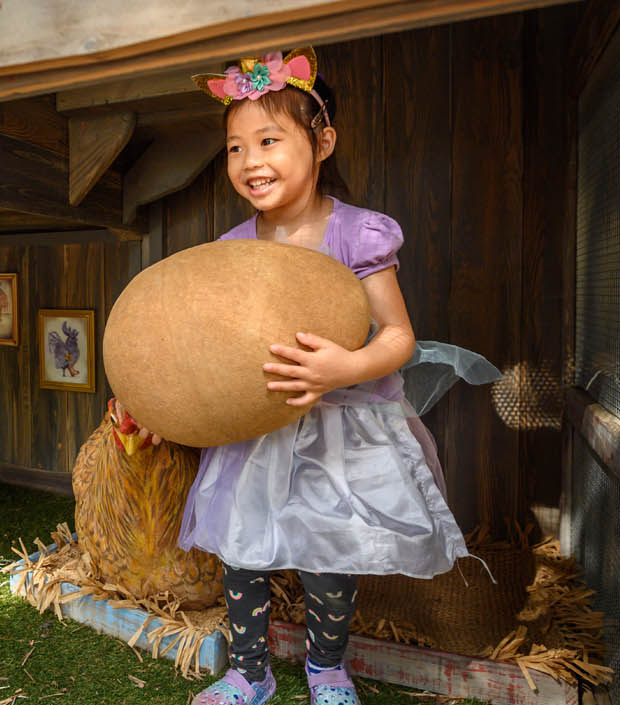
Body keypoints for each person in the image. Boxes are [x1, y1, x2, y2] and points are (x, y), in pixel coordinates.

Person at [131, 48, 499, 705]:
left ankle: (328, 667)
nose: (250, 163)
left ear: (322, 141)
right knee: (241, 555)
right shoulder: (233, 248)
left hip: (339, 430)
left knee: (328, 555)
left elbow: (398, 335)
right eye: (235, 148)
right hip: (256, 430)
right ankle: (250, 670)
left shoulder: (358, 235)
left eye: (268, 140)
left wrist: (346, 365)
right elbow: (204, 341)